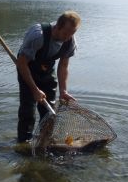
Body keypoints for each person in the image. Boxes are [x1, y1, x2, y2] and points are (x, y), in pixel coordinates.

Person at [16, 11, 81, 142]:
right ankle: (24, 142)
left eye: (72, 34)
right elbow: (22, 63)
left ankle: (44, 141)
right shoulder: (37, 36)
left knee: (49, 112)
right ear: (57, 26)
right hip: (27, 68)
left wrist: (63, 91)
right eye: (65, 33)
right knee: (28, 110)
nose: (68, 37)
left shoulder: (69, 41)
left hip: (46, 71)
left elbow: (63, 66)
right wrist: (34, 90)